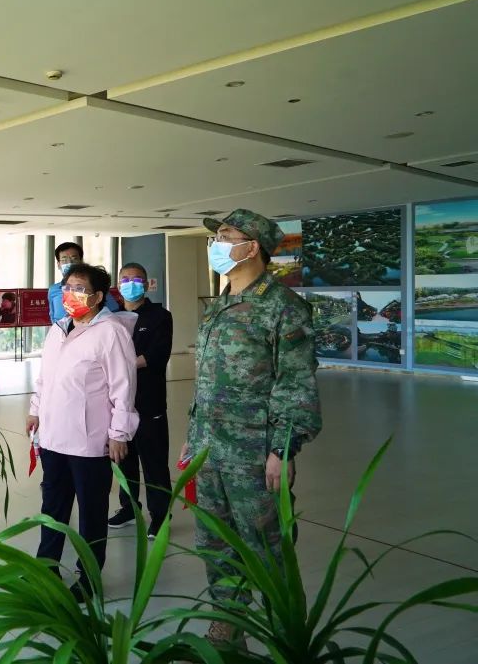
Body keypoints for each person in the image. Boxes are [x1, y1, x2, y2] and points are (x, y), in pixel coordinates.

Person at [182, 209, 322, 648]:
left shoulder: (283, 307)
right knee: (215, 542)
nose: (217, 244)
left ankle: (288, 636)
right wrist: (192, 439)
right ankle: (227, 627)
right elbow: (208, 381)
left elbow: (296, 384)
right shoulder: (220, 304)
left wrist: (283, 449)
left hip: (255, 456)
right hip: (210, 450)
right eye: (216, 237)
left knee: (269, 551)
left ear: (252, 247)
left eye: (226, 236)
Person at [26, 263, 139, 601]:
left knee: (91, 513)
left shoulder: (111, 332)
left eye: (79, 288)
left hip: (89, 442)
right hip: (53, 437)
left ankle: (89, 578)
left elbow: (123, 387)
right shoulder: (58, 328)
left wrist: (119, 433)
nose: (70, 294)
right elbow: (45, 378)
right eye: (67, 287)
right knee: (53, 507)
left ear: (98, 296)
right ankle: (46, 566)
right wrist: (35, 410)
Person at [107, 263, 174, 539]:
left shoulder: (160, 316)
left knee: (154, 463)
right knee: (124, 460)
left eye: (137, 279)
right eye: (125, 279)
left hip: (149, 402)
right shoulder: (111, 318)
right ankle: (129, 508)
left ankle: (160, 515)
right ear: (118, 285)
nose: (131, 284)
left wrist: (120, 366)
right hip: (120, 405)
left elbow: (157, 355)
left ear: (147, 285)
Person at [48, 242, 121, 323]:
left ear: (81, 261)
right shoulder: (53, 290)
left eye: (74, 258)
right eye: (64, 260)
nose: (69, 262)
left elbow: (113, 311)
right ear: (58, 264)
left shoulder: (94, 286)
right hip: (62, 330)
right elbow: (53, 316)